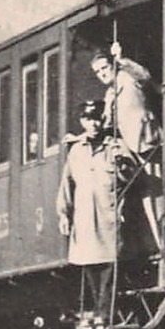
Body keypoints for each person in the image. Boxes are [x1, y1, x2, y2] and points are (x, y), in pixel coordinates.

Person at [90, 48, 164, 253]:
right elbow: (106, 122)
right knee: (147, 197)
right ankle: (159, 243)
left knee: (158, 192)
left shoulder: (128, 77)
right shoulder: (110, 93)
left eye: (104, 67)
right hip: (132, 150)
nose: (102, 74)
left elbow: (145, 76)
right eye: (97, 72)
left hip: (149, 142)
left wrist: (121, 59)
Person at [55, 99, 117, 314]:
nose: (94, 124)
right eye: (89, 119)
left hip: (108, 215)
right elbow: (67, 184)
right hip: (85, 217)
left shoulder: (113, 147)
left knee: (110, 266)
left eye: (97, 119)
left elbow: (128, 178)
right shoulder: (76, 151)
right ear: (83, 121)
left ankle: (105, 313)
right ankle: (98, 312)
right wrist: (63, 214)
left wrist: (123, 164)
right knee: (89, 265)